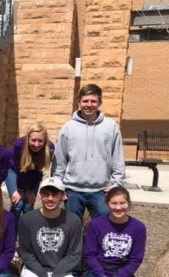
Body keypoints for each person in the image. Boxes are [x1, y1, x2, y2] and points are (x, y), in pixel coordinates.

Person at [54, 84, 125, 220]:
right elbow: (60, 159)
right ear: (78, 102)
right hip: (72, 190)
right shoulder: (68, 128)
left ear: (100, 103)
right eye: (85, 101)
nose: (89, 104)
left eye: (93, 101)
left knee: (102, 229)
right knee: (72, 231)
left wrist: (117, 184)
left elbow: (117, 157)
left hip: (101, 190)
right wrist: (58, 187)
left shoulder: (110, 127)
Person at [6, 124, 55, 226]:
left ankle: (26, 234)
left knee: (29, 204)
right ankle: (11, 235)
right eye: (33, 140)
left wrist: (30, 191)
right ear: (28, 138)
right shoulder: (19, 145)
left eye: (40, 141)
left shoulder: (49, 148)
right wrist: (20, 190)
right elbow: (21, 170)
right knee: (18, 204)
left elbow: (39, 171)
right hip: (14, 170)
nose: (36, 144)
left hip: (34, 173)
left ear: (45, 140)